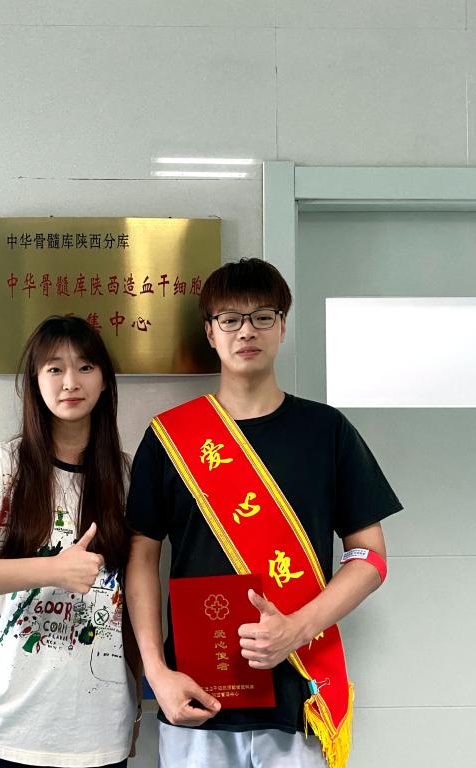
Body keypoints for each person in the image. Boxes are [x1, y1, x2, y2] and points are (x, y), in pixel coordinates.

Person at [125, 258, 402, 767]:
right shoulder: (170, 437)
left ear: (282, 326)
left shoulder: (327, 432)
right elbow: (141, 557)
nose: (246, 331)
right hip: (195, 697)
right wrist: (155, 672)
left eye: (262, 316)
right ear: (210, 332)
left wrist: (297, 628)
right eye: (230, 319)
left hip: (299, 694)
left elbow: (370, 556)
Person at [0, 315, 142, 768]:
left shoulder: (126, 477)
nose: (70, 382)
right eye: (54, 368)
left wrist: (135, 702)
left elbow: (136, 601)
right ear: (35, 382)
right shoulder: (1, 469)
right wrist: (52, 569)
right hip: (4, 731)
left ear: (104, 381)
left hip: (98, 734)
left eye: (85, 367)